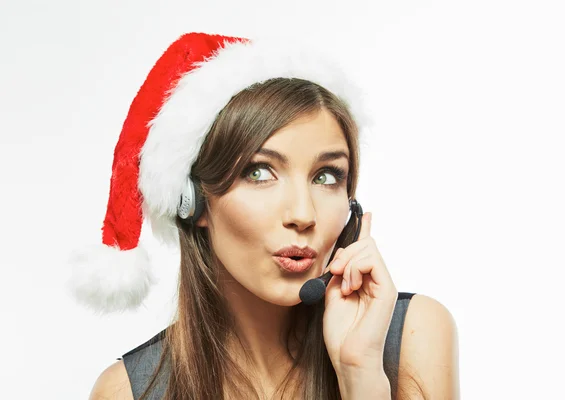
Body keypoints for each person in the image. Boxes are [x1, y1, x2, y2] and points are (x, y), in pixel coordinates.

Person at [69, 32, 459, 399]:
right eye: (259, 173)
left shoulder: (414, 335)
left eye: (326, 177)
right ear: (193, 203)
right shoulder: (129, 390)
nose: (303, 215)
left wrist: (360, 376)